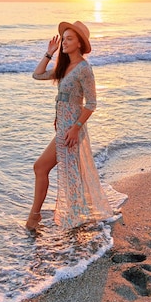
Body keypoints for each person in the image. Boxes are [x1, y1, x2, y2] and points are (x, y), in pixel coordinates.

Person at [26, 21, 115, 231]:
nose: (64, 42)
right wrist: (49, 53)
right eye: (63, 38)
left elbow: (91, 104)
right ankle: (69, 219)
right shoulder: (64, 67)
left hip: (72, 130)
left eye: (69, 39)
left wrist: (75, 128)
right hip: (64, 128)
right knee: (65, 172)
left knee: (44, 167)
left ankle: (36, 218)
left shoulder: (84, 69)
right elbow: (37, 75)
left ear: (79, 43)